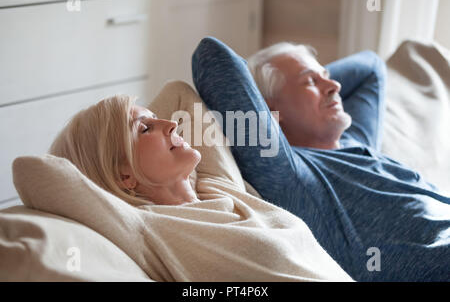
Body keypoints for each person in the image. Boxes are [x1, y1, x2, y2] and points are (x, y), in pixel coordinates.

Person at [191, 37, 450, 281]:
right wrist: (270, 104)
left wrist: (313, 77)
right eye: (310, 82)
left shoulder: (357, 139)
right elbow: (211, 56)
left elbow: (370, 67)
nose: (335, 85)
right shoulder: (291, 174)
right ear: (269, 111)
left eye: (327, 76)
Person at [48, 83, 353, 281]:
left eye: (158, 118)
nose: (171, 123)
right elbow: (36, 174)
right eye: (144, 129)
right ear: (123, 175)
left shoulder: (217, 186)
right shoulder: (145, 227)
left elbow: (179, 92)